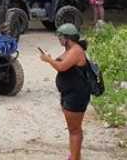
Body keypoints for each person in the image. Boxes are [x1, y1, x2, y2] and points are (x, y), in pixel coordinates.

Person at [39, 23, 90, 160]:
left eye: (60, 37)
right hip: (69, 94)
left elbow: (61, 67)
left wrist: (48, 60)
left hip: (76, 95)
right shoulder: (70, 49)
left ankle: (74, 157)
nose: (59, 40)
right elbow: (60, 61)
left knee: (75, 130)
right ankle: (75, 156)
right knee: (73, 129)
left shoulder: (76, 50)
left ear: (67, 38)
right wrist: (50, 58)